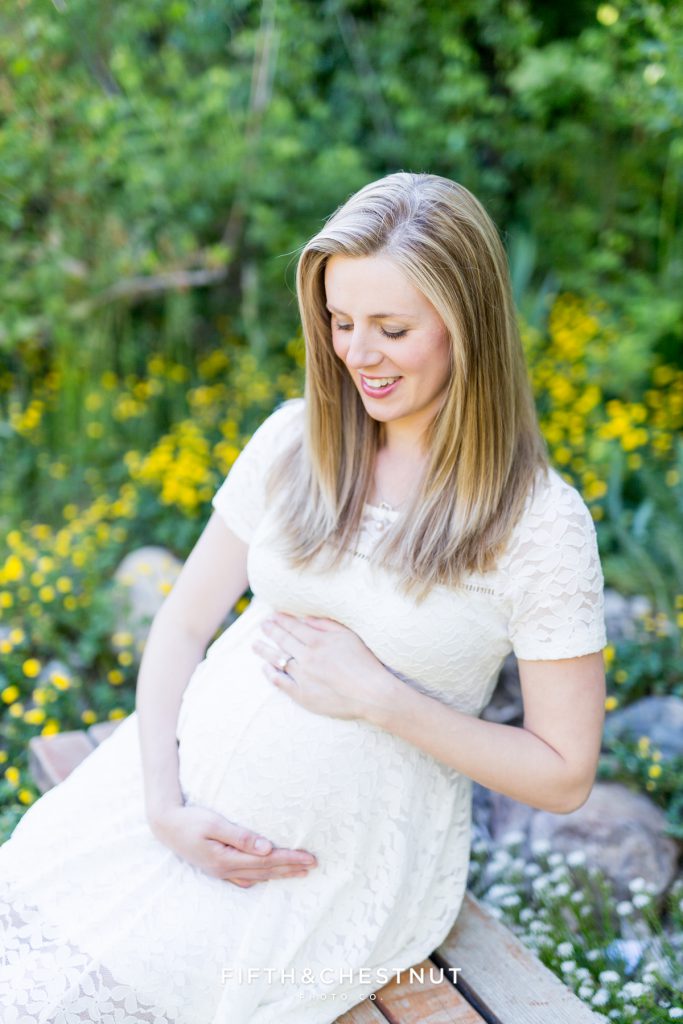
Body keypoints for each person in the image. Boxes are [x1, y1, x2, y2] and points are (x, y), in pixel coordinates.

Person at [0, 171, 607, 1024]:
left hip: (321, 871)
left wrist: (379, 698)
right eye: (339, 321)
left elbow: (564, 772)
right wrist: (163, 803)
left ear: (467, 327)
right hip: (164, 802)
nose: (356, 353)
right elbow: (180, 624)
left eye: (392, 329)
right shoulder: (295, 439)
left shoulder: (538, 525)